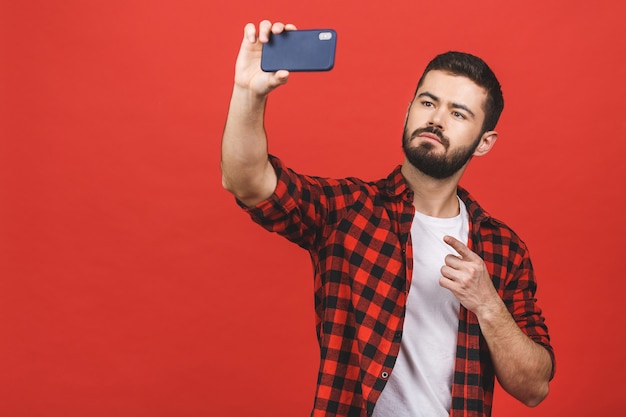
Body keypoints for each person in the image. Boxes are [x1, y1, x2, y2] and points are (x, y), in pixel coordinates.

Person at [221, 20, 555, 417]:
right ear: (409, 111)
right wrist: (248, 93)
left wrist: (487, 302)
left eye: (458, 113)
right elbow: (248, 182)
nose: (437, 119)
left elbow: (534, 386)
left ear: (484, 142)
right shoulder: (349, 212)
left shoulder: (503, 250)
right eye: (428, 103)